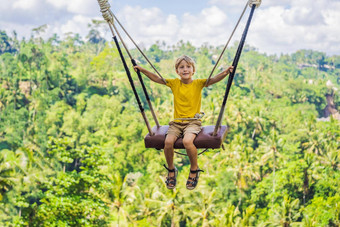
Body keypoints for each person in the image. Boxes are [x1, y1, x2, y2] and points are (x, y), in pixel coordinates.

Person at [134, 55, 233, 190]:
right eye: (181, 67)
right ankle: (171, 169)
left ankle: (194, 169)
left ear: (193, 70)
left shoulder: (198, 83)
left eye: (188, 67)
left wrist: (226, 72)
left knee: (187, 142)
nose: (185, 69)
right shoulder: (175, 83)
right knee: (168, 143)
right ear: (177, 71)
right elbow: (157, 78)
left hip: (193, 122)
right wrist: (142, 70)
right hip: (176, 123)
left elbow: (213, 79)